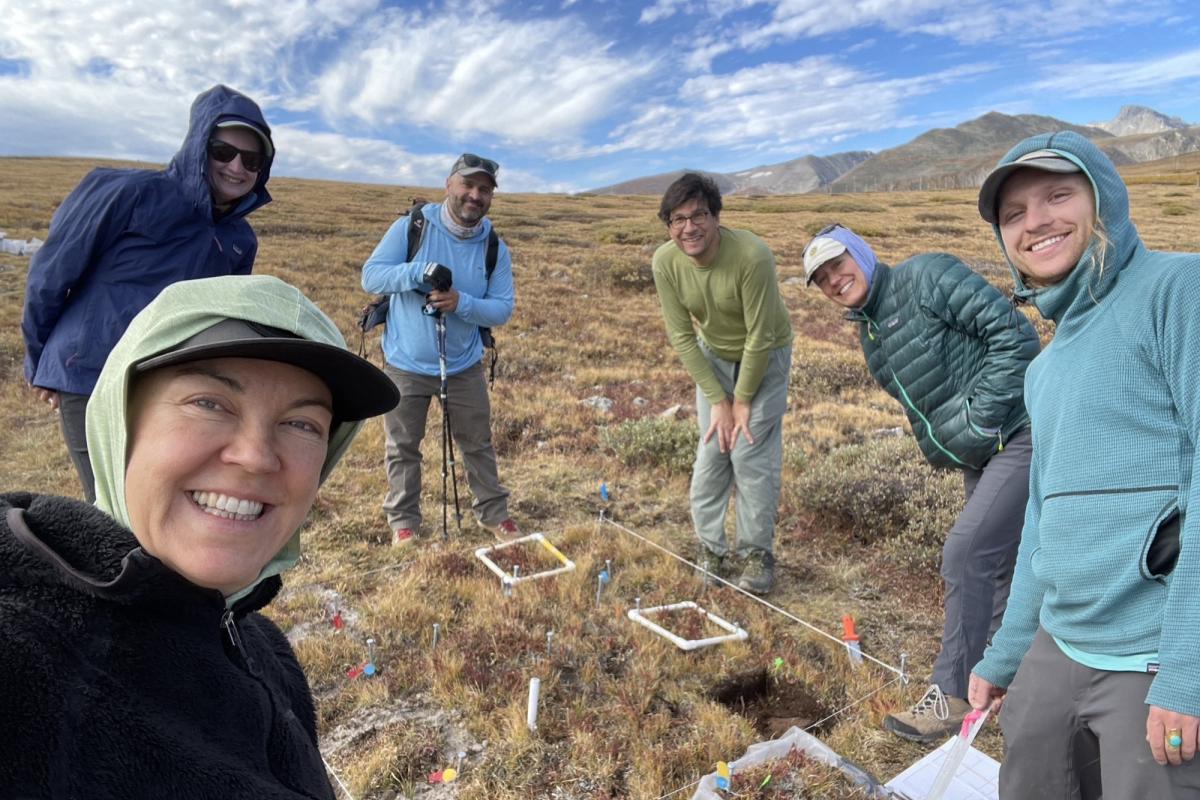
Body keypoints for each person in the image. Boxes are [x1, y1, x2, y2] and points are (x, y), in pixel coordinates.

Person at [0, 274, 399, 796]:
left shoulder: (263, 648)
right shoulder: (23, 656)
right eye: (209, 403)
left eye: (302, 424)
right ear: (120, 418)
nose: (257, 456)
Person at [968, 132, 1200, 796]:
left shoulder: (1179, 290)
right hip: (1058, 642)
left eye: (1057, 195)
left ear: (1103, 200)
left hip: (1155, 658)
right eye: (1013, 213)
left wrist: (1188, 670)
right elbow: (1044, 520)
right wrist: (1005, 656)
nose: (1034, 221)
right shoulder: (1045, 369)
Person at [803, 224, 1038, 742]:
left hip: (1022, 429)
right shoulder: (869, 329)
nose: (834, 280)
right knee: (997, 566)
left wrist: (979, 417)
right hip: (982, 451)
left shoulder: (926, 275)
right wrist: (964, 438)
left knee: (964, 553)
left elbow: (1015, 336)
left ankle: (950, 695)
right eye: (821, 278)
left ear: (862, 254)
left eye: (838, 264)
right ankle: (1004, 682)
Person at [22, 84, 275, 502]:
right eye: (223, 151)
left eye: (251, 159)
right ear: (199, 146)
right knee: (113, 504)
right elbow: (51, 274)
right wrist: (41, 365)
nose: (236, 167)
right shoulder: (127, 193)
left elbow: (220, 321)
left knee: (160, 502)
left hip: (165, 385)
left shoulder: (239, 239)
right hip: (90, 374)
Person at [362, 153, 518, 546]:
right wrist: (418, 271)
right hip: (405, 362)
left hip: (463, 364)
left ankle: (494, 514)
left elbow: (502, 308)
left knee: (477, 442)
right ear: (449, 184)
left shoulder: (494, 246)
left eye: (484, 189)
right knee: (402, 445)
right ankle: (404, 521)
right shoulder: (411, 226)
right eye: (467, 185)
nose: (474, 195)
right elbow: (372, 275)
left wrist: (460, 302)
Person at [651, 172, 794, 595]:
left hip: (765, 356)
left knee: (750, 454)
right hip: (712, 355)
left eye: (698, 216)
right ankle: (711, 548)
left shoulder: (752, 256)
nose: (688, 228)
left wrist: (743, 398)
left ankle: (756, 553)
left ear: (716, 217)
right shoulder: (665, 262)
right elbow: (680, 334)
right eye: (677, 219)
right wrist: (719, 399)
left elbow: (760, 335)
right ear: (668, 226)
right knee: (714, 450)